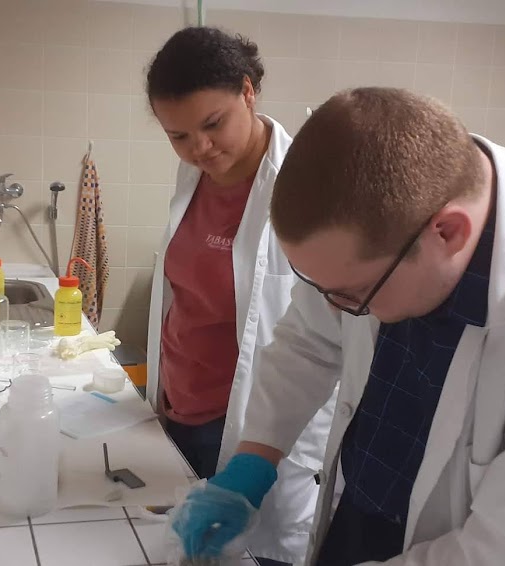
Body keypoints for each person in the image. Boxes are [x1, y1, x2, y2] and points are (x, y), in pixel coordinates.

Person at [169, 87, 505, 565]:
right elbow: (309, 338)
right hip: (364, 515)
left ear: (448, 233)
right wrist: (254, 462)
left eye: (353, 294)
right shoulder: (390, 213)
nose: (337, 308)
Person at [143, 27, 335, 565]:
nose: (199, 149)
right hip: (179, 408)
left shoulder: (304, 187)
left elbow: (322, 336)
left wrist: (264, 459)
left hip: (248, 425)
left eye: (212, 124)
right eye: (179, 136)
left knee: (249, 554)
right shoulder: (194, 175)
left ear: (248, 91)